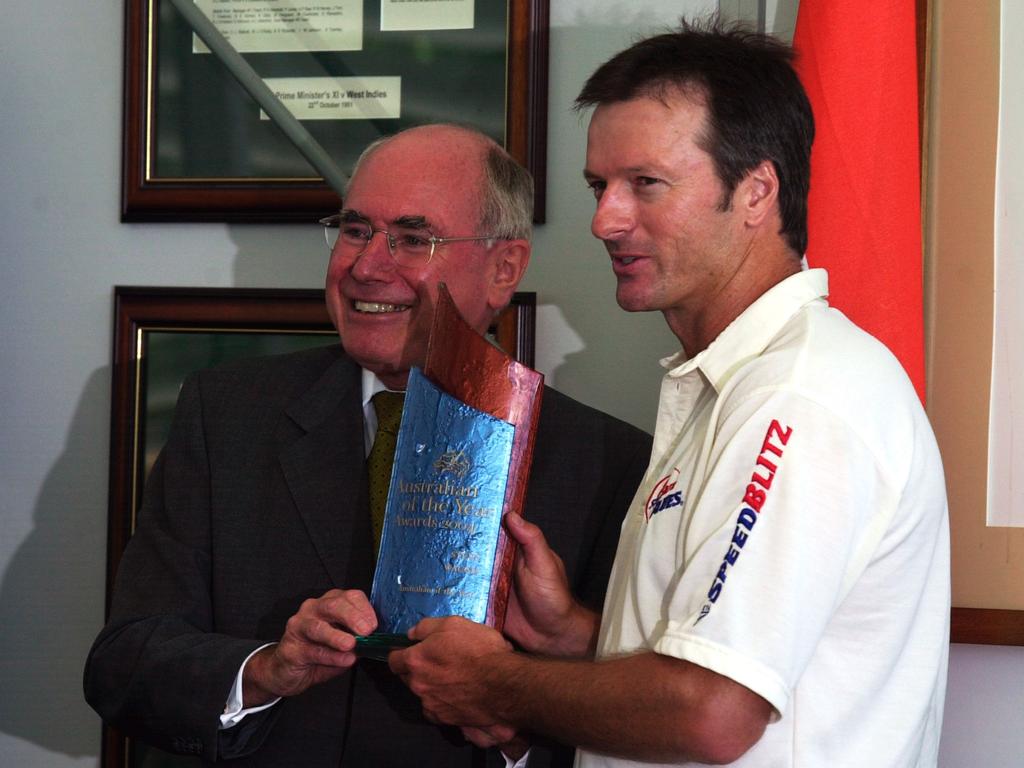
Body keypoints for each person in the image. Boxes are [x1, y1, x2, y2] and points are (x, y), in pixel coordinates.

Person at [387, 21, 951, 768]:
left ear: (756, 191)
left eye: (645, 184)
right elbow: (746, 667)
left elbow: (712, 715)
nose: (604, 220)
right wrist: (580, 636)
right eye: (599, 186)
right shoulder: (740, 381)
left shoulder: (798, 398)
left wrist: (496, 683)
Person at [84, 124, 652, 767]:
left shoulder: (609, 462)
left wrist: (515, 735)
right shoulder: (225, 415)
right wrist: (266, 670)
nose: (366, 265)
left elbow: (635, 720)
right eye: (355, 231)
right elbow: (123, 667)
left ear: (504, 269)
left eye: (413, 239)